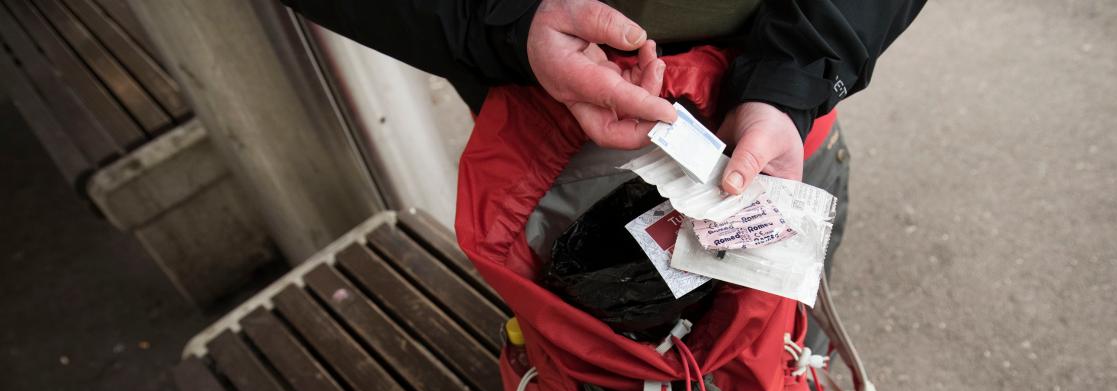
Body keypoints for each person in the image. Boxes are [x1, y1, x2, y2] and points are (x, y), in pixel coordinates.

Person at [280, 0, 924, 195]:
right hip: (546, 112)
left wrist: (793, 79)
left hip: (789, 103)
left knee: (772, 347)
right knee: (597, 386)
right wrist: (503, 22)